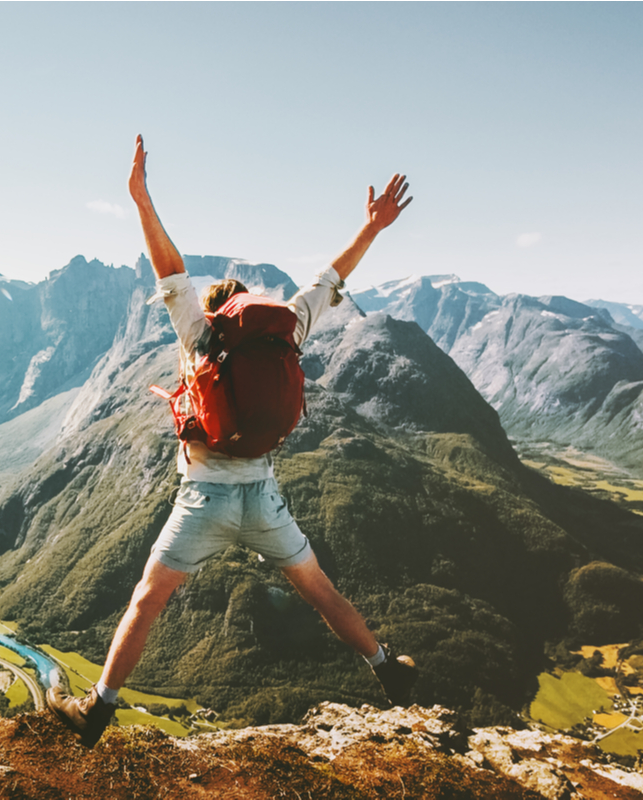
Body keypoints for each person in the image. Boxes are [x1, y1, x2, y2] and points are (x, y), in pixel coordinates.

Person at [47, 135, 416, 748]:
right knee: (322, 591)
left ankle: (96, 710)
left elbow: (169, 266)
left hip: (204, 501)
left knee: (146, 600)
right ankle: (388, 670)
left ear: (217, 309)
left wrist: (141, 199)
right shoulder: (288, 326)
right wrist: (372, 227)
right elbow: (333, 277)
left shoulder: (200, 333)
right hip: (263, 498)